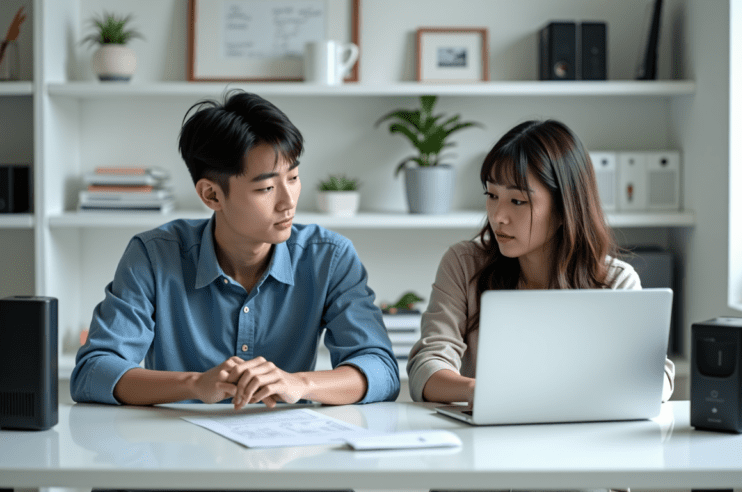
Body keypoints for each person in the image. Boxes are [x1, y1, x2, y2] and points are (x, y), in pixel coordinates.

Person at [71, 90, 400, 408]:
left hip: (287, 441)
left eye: (293, 177)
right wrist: (195, 385)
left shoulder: (330, 257)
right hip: (176, 441)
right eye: (267, 188)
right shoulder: (153, 256)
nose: (288, 202)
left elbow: (381, 369)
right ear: (212, 195)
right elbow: (93, 371)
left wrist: (299, 384)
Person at [407, 119, 675, 405]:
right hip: (489, 430)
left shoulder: (615, 281)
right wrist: (479, 391)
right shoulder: (463, 264)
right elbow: (427, 367)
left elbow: (656, 377)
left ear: (564, 208)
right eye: (492, 195)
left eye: (517, 201)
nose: (497, 216)